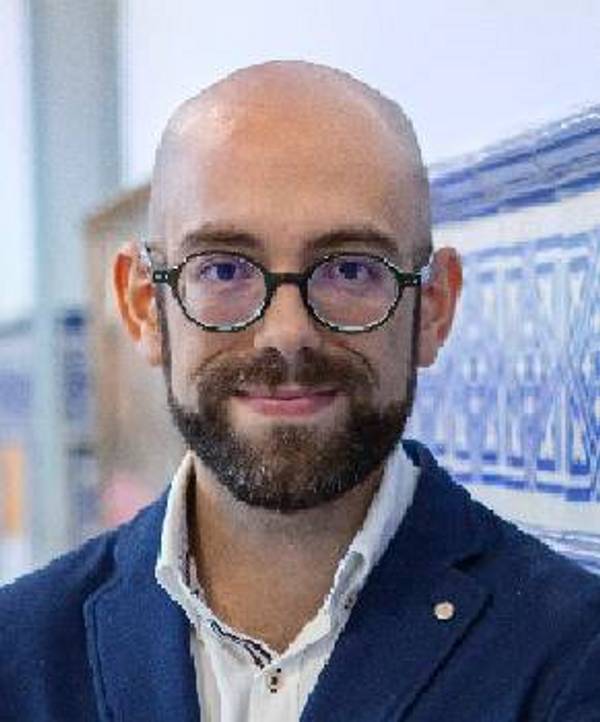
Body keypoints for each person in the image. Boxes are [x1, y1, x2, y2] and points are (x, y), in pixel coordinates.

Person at [1, 61, 599, 722]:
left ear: (433, 306)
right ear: (144, 305)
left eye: (349, 268)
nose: (286, 334)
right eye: (223, 268)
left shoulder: (571, 659)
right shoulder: (20, 655)